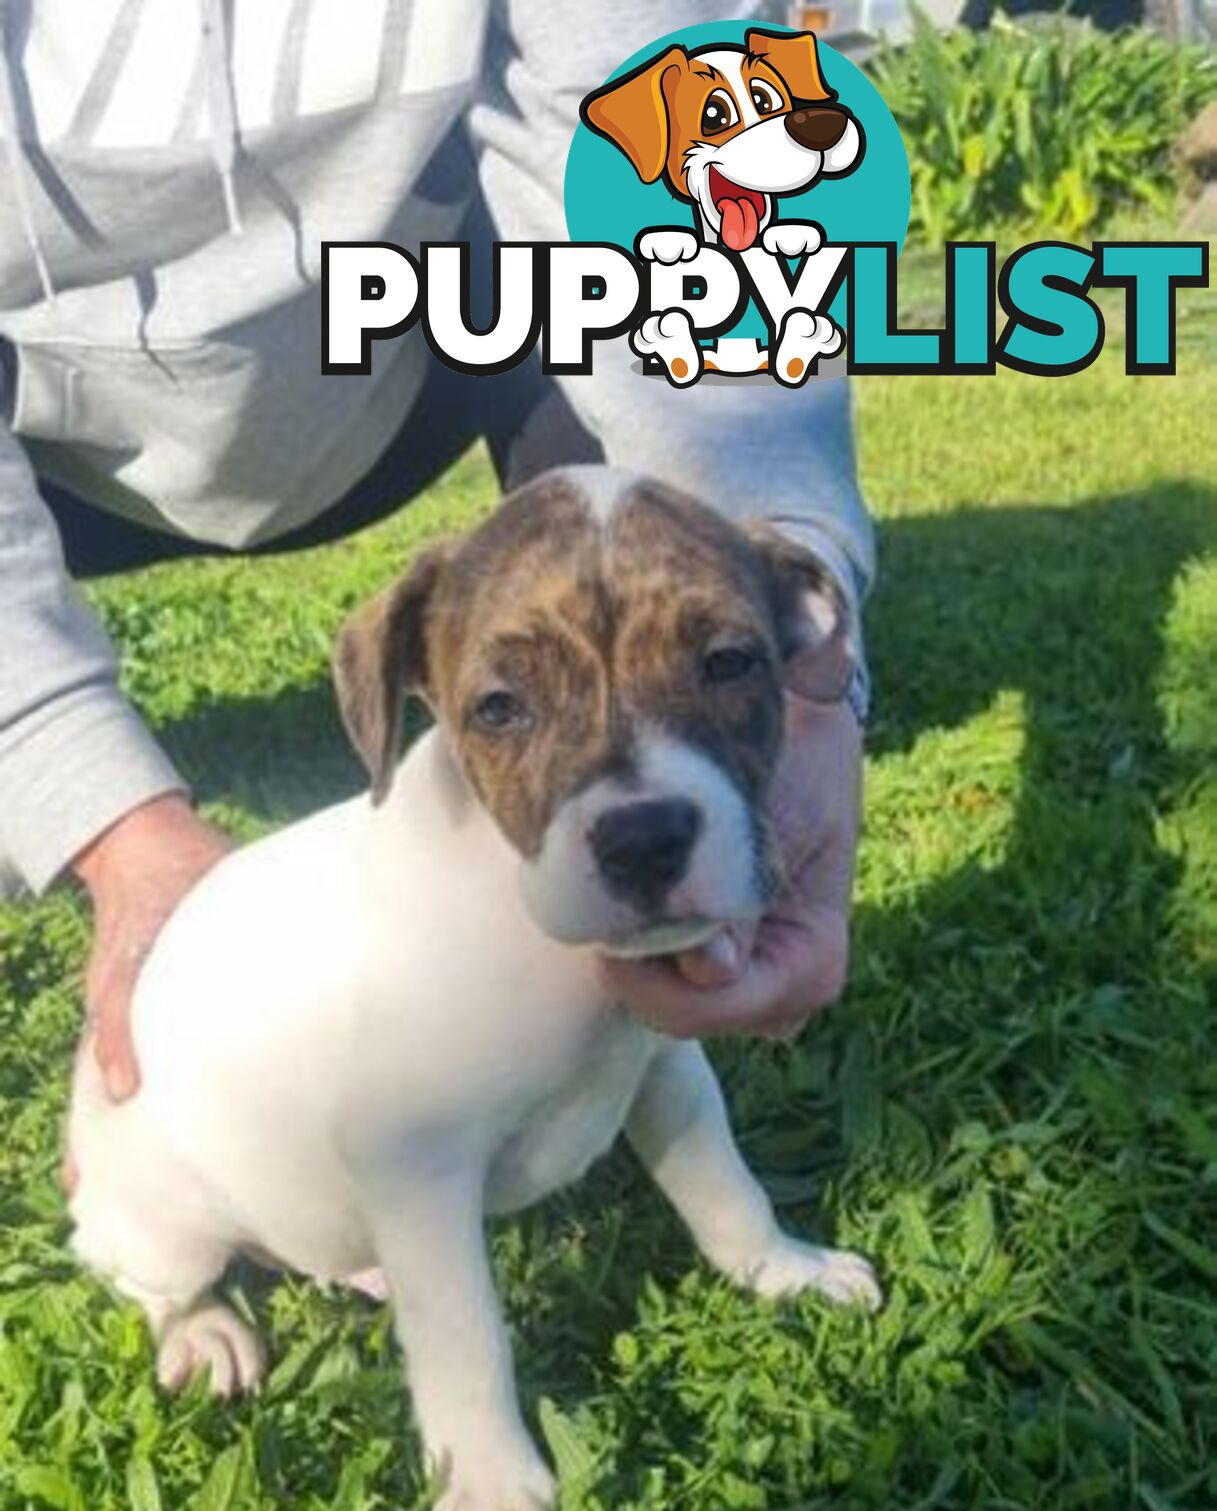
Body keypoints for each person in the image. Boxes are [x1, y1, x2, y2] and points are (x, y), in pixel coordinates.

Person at [0, 1, 874, 1107]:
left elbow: (669, 134)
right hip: (46, 414)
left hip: (413, 334)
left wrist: (804, 660)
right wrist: (101, 812)